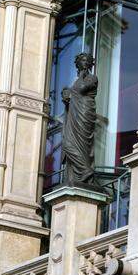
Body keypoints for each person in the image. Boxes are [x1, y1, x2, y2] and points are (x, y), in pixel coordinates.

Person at [61, 52, 98, 185]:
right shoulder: (77, 80)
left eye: (87, 60)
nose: (85, 62)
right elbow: (72, 94)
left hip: (84, 112)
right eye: (82, 60)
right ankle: (84, 170)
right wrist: (66, 94)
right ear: (77, 63)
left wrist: (69, 90)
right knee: (68, 144)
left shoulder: (92, 78)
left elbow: (81, 88)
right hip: (74, 113)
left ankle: (85, 170)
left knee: (81, 144)